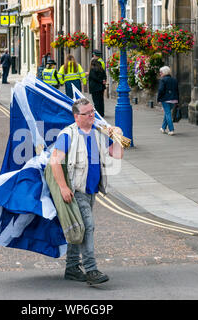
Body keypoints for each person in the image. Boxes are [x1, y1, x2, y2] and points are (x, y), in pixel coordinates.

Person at [49, 98, 123, 285]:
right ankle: (91, 270)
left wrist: (118, 137)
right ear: (76, 116)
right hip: (76, 190)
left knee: (79, 228)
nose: (92, 115)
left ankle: (72, 267)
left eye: (93, 111)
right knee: (88, 226)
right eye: (87, 113)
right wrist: (64, 188)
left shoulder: (99, 132)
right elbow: (55, 161)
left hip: (92, 190)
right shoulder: (68, 135)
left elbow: (117, 154)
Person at [157, 66, 179, 136]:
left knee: (168, 114)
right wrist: (178, 100)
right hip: (174, 99)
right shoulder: (174, 80)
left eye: (161, 72)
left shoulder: (163, 80)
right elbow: (177, 90)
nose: (160, 74)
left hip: (166, 99)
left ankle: (171, 129)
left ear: (164, 72)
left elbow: (160, 90)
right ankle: (163, 128)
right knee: (167, 113)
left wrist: (158, 98)